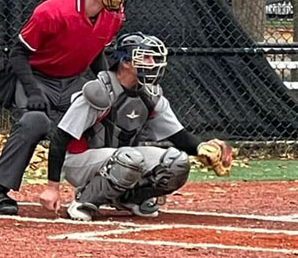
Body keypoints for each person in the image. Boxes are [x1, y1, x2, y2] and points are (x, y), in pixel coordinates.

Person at [0, 0, 130, 215]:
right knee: (35, 122)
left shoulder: (114, 16)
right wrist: (33, 90)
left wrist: (106, 84)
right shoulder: (53, 11)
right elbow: (18, 54)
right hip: (36, 75)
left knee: (102, 114)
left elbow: (93, 49)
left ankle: (103, 190)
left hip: (71, 79)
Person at [39, 32, 233, 221]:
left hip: (122, 158)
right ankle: (85, 201)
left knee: (176, 162)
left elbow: (178, 136)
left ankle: (131, 199)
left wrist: (201, 148)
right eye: (146, 57)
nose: (152, 63)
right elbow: (60, 137)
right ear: (126, 62)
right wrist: (52, 187)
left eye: (153, 58)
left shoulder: (150, 94)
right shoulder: (100, 91)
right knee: (129, 158)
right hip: (79, 161)